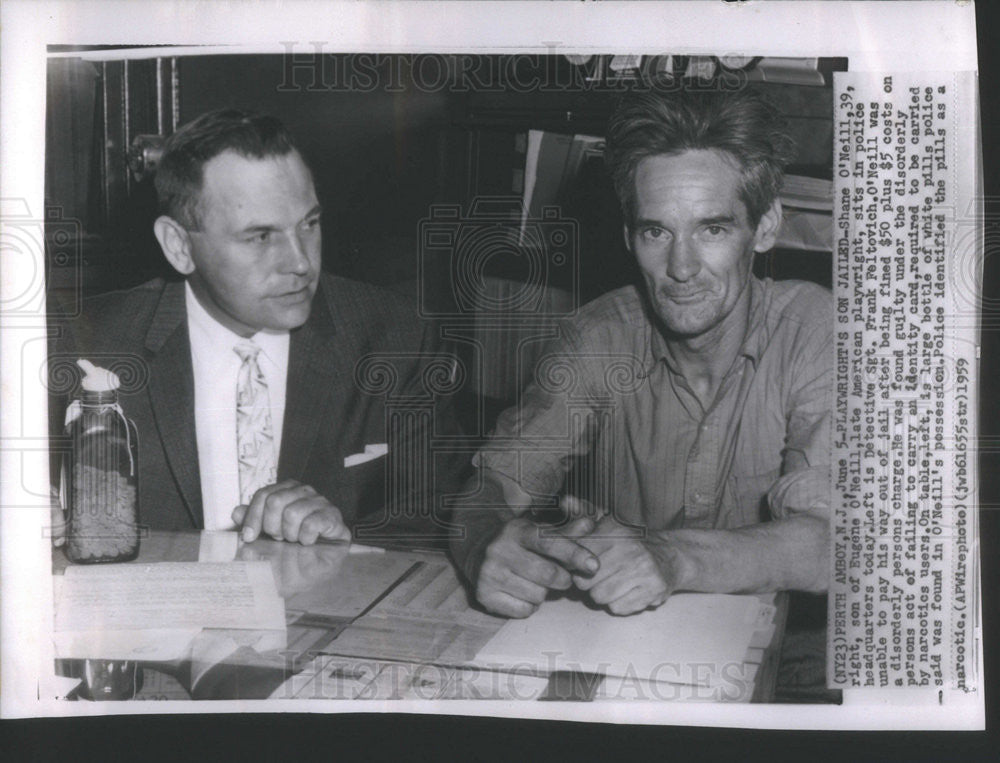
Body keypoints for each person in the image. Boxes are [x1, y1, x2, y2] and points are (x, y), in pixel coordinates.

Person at [451, 86, 833, 617]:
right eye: (657, 232)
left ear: (764, 226)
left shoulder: (816, 330)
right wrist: (485, 548)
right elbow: (490, 487)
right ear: (630, 235)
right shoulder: (596, 337)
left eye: (712, 229)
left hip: (786, 662)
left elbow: (832, 540)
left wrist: (672, 557)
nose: (680, 268)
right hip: (629, 651)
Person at [50, 109, 463, 545]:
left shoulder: (394, 336)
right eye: (261, 236)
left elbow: (442, 517)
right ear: (179, 246)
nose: (300, 263)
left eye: (310, 224)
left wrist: (347, 544)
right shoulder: (81, 345)